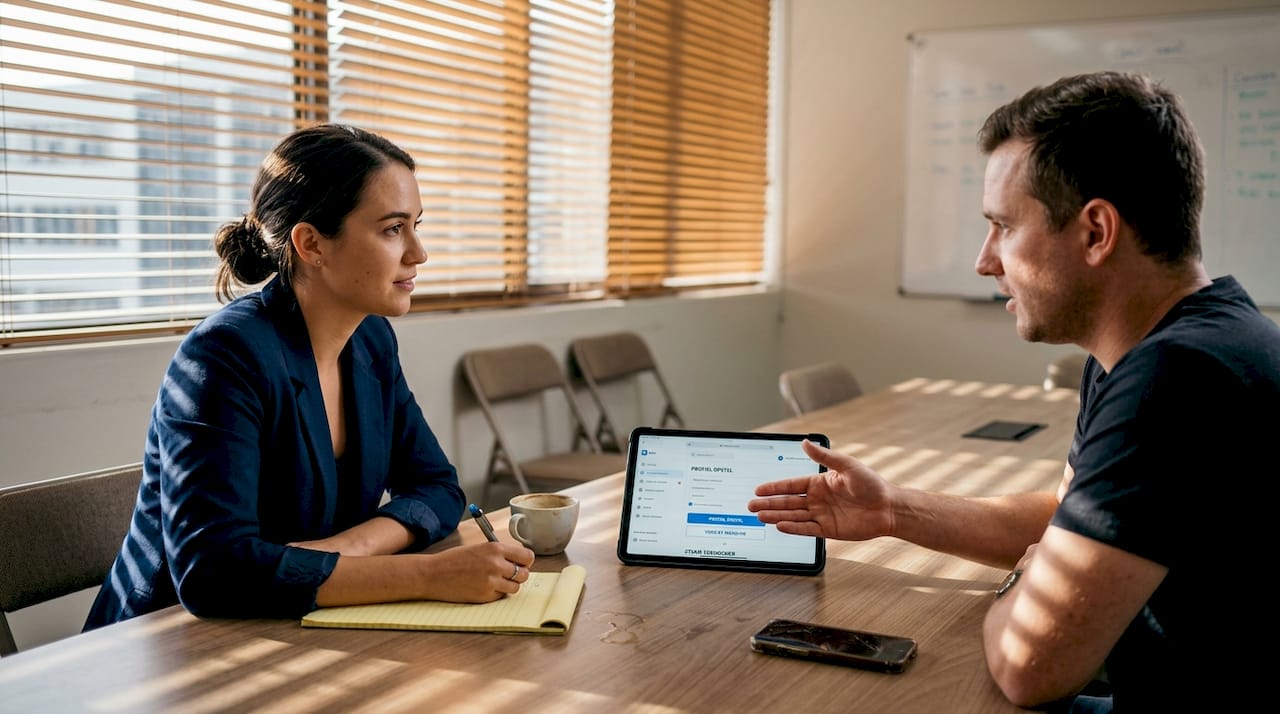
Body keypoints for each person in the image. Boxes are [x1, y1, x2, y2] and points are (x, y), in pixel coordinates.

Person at [749, 71, 1280, 712]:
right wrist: (893, 510)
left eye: (1003, 225)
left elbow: (1031, 667)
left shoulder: (1175, 379)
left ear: (1095, 233)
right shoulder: (1170, 345)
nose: (985, 260)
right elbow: (1065, 518)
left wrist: (1026, 578)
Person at [85, 124, 534, 629]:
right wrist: (427, 575)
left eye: (416, 225)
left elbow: (437, 486)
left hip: (293, 625)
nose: (418, 253)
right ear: (311, 243)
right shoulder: (224, 355)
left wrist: (351, 547)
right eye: (393, 229)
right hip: (165, 644)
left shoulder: (372, 341)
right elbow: (213, 572)